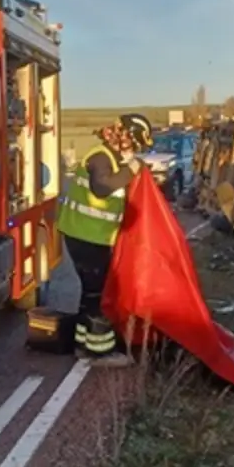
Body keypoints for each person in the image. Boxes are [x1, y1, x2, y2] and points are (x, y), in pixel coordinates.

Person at [56, 113, 153, 368]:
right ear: (126, 137)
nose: (133, 152)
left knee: (89, 294)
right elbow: (101, 187)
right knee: (99, 295)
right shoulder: (101, 157)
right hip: (87, 238)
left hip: (86, 235)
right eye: (134, 145)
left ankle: (82, 345)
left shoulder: (110, 157)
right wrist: (131, 169)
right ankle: (101, 352)